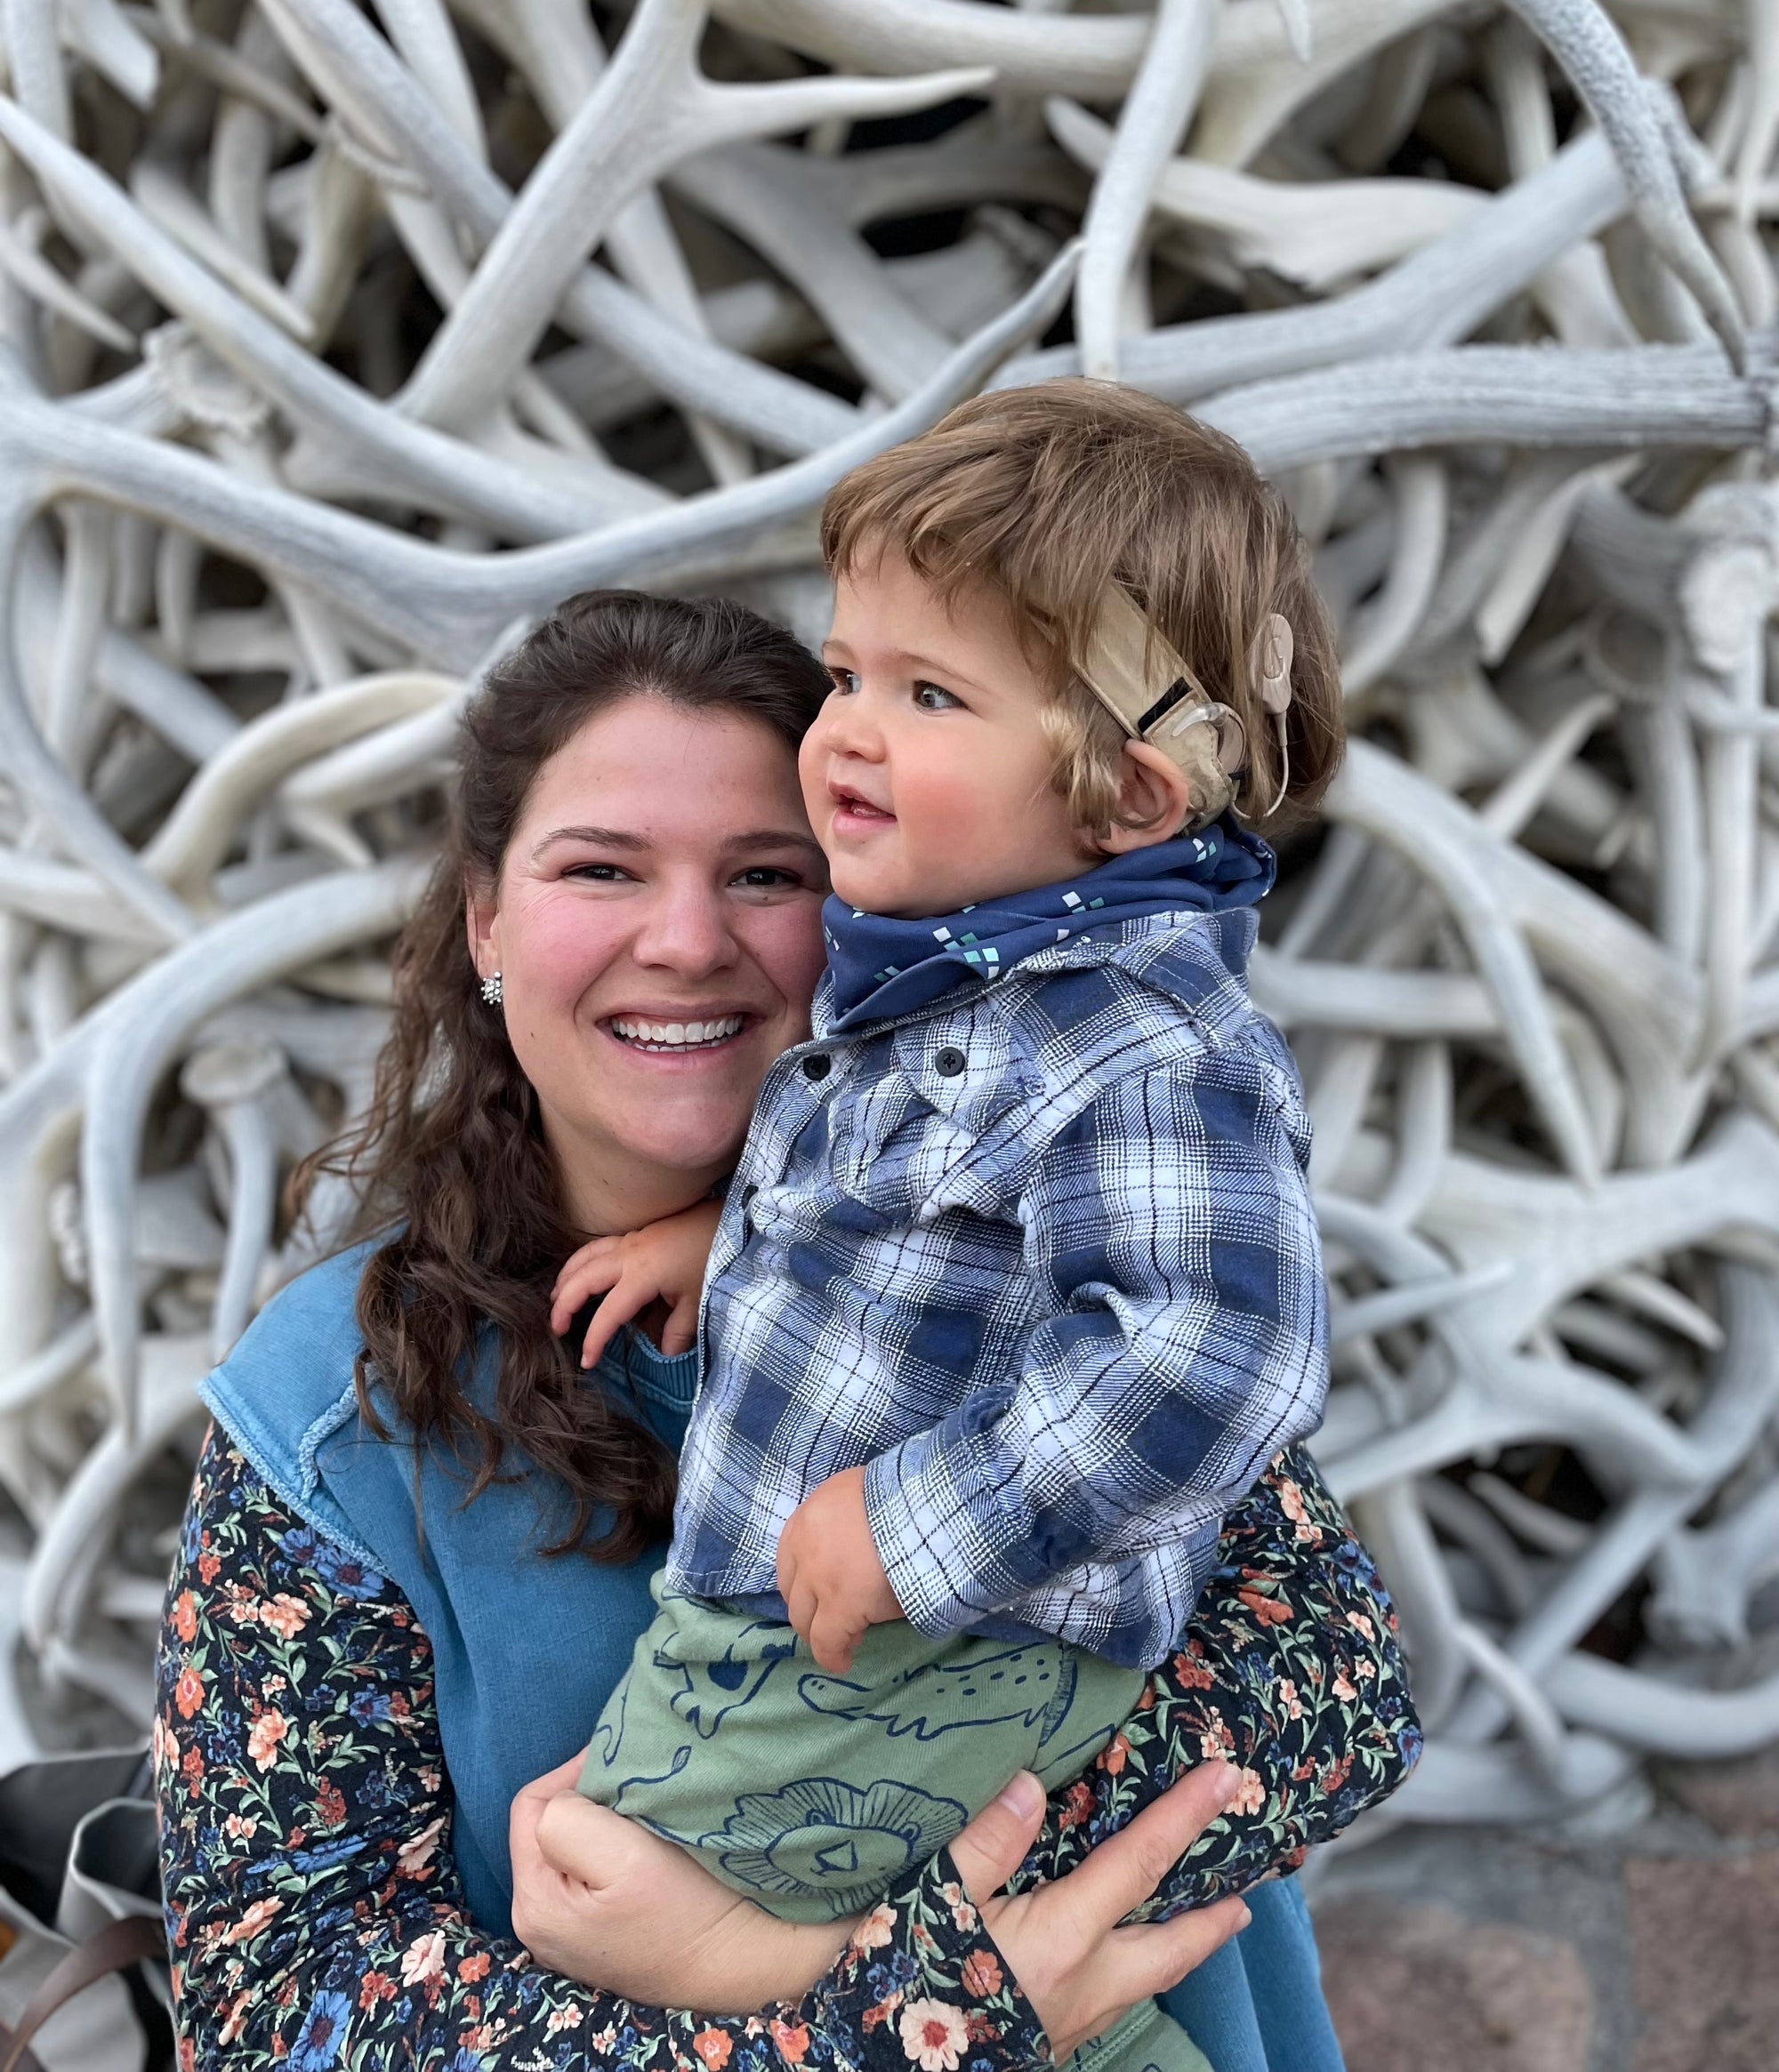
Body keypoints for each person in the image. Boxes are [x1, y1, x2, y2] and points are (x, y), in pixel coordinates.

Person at [154, 588, 1385, 2072]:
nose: (685, 942)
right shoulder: (331, 1415)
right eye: (602, 868)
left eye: (766, 873)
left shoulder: (1049, 1251)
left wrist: (830, 1964)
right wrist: (900, 2022)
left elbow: (1330, 1690)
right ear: (488, 919)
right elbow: (283, 2005)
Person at [560, 389, 1417, 2072]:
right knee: (613, 1879)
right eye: (849, 671)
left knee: (584, 1883)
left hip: (941, 1639)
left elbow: (1217, 1349)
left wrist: (912, 1520)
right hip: (858, 1645)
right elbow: (923, 1228)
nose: (848, 732)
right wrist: (722, 1252)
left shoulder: (1143, 1042)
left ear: (1128, 788)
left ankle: (775, 1983)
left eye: (930, 693)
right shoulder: (984, 982)